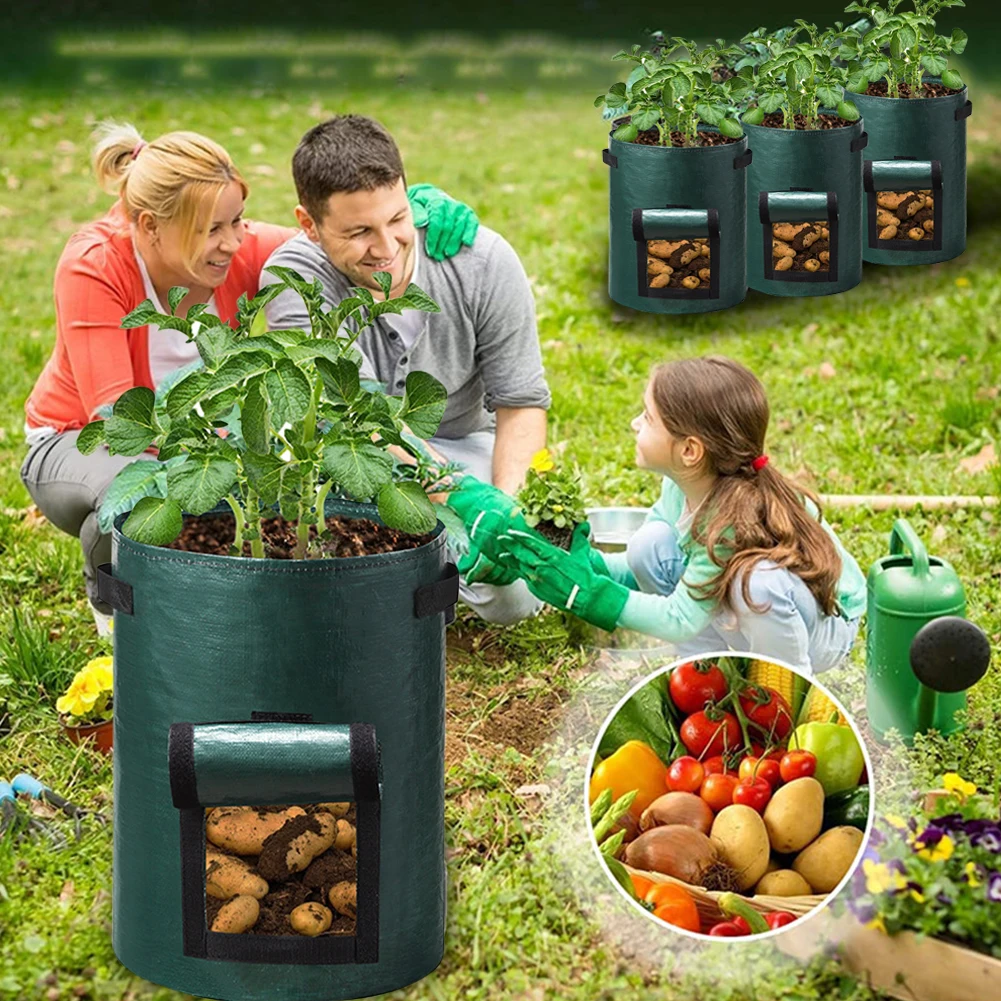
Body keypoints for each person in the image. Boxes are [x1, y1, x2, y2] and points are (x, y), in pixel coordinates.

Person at [20, 121, 476, 633]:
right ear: (150, 226)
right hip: (78, 440)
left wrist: (412, 211)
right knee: (135, 501)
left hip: (200, 443)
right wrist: (230, 461)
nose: (233, 242)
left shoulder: (239, 249)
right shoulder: (94, 265)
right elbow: (121, 418)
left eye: (237, 220)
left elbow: (329, 239)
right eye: (211, 229)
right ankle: (116, 616)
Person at [263, 114, 551, 626]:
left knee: (517, 598)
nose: (388, 248)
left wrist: (503, 510)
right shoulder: (295, 280)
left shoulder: (482, 261)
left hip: (463, 447)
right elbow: (361, 421)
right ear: (309, 225)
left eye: (397, 219)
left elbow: (521, 403)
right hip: (351, 459)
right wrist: (459, 498)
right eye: (359, 232)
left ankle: (412, 580)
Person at [450, 356, 866, 673]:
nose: (634, 423)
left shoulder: (735, 521)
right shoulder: (682, 486)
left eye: (648, 418)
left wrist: (594, 596)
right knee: (650, 546)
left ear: (689, 450)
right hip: (751, 596)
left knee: (754, 586)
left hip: (823, 628)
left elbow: (682, 616)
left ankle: (782, 689)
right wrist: (573, 562)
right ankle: (705, 673)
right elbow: (637, 568)